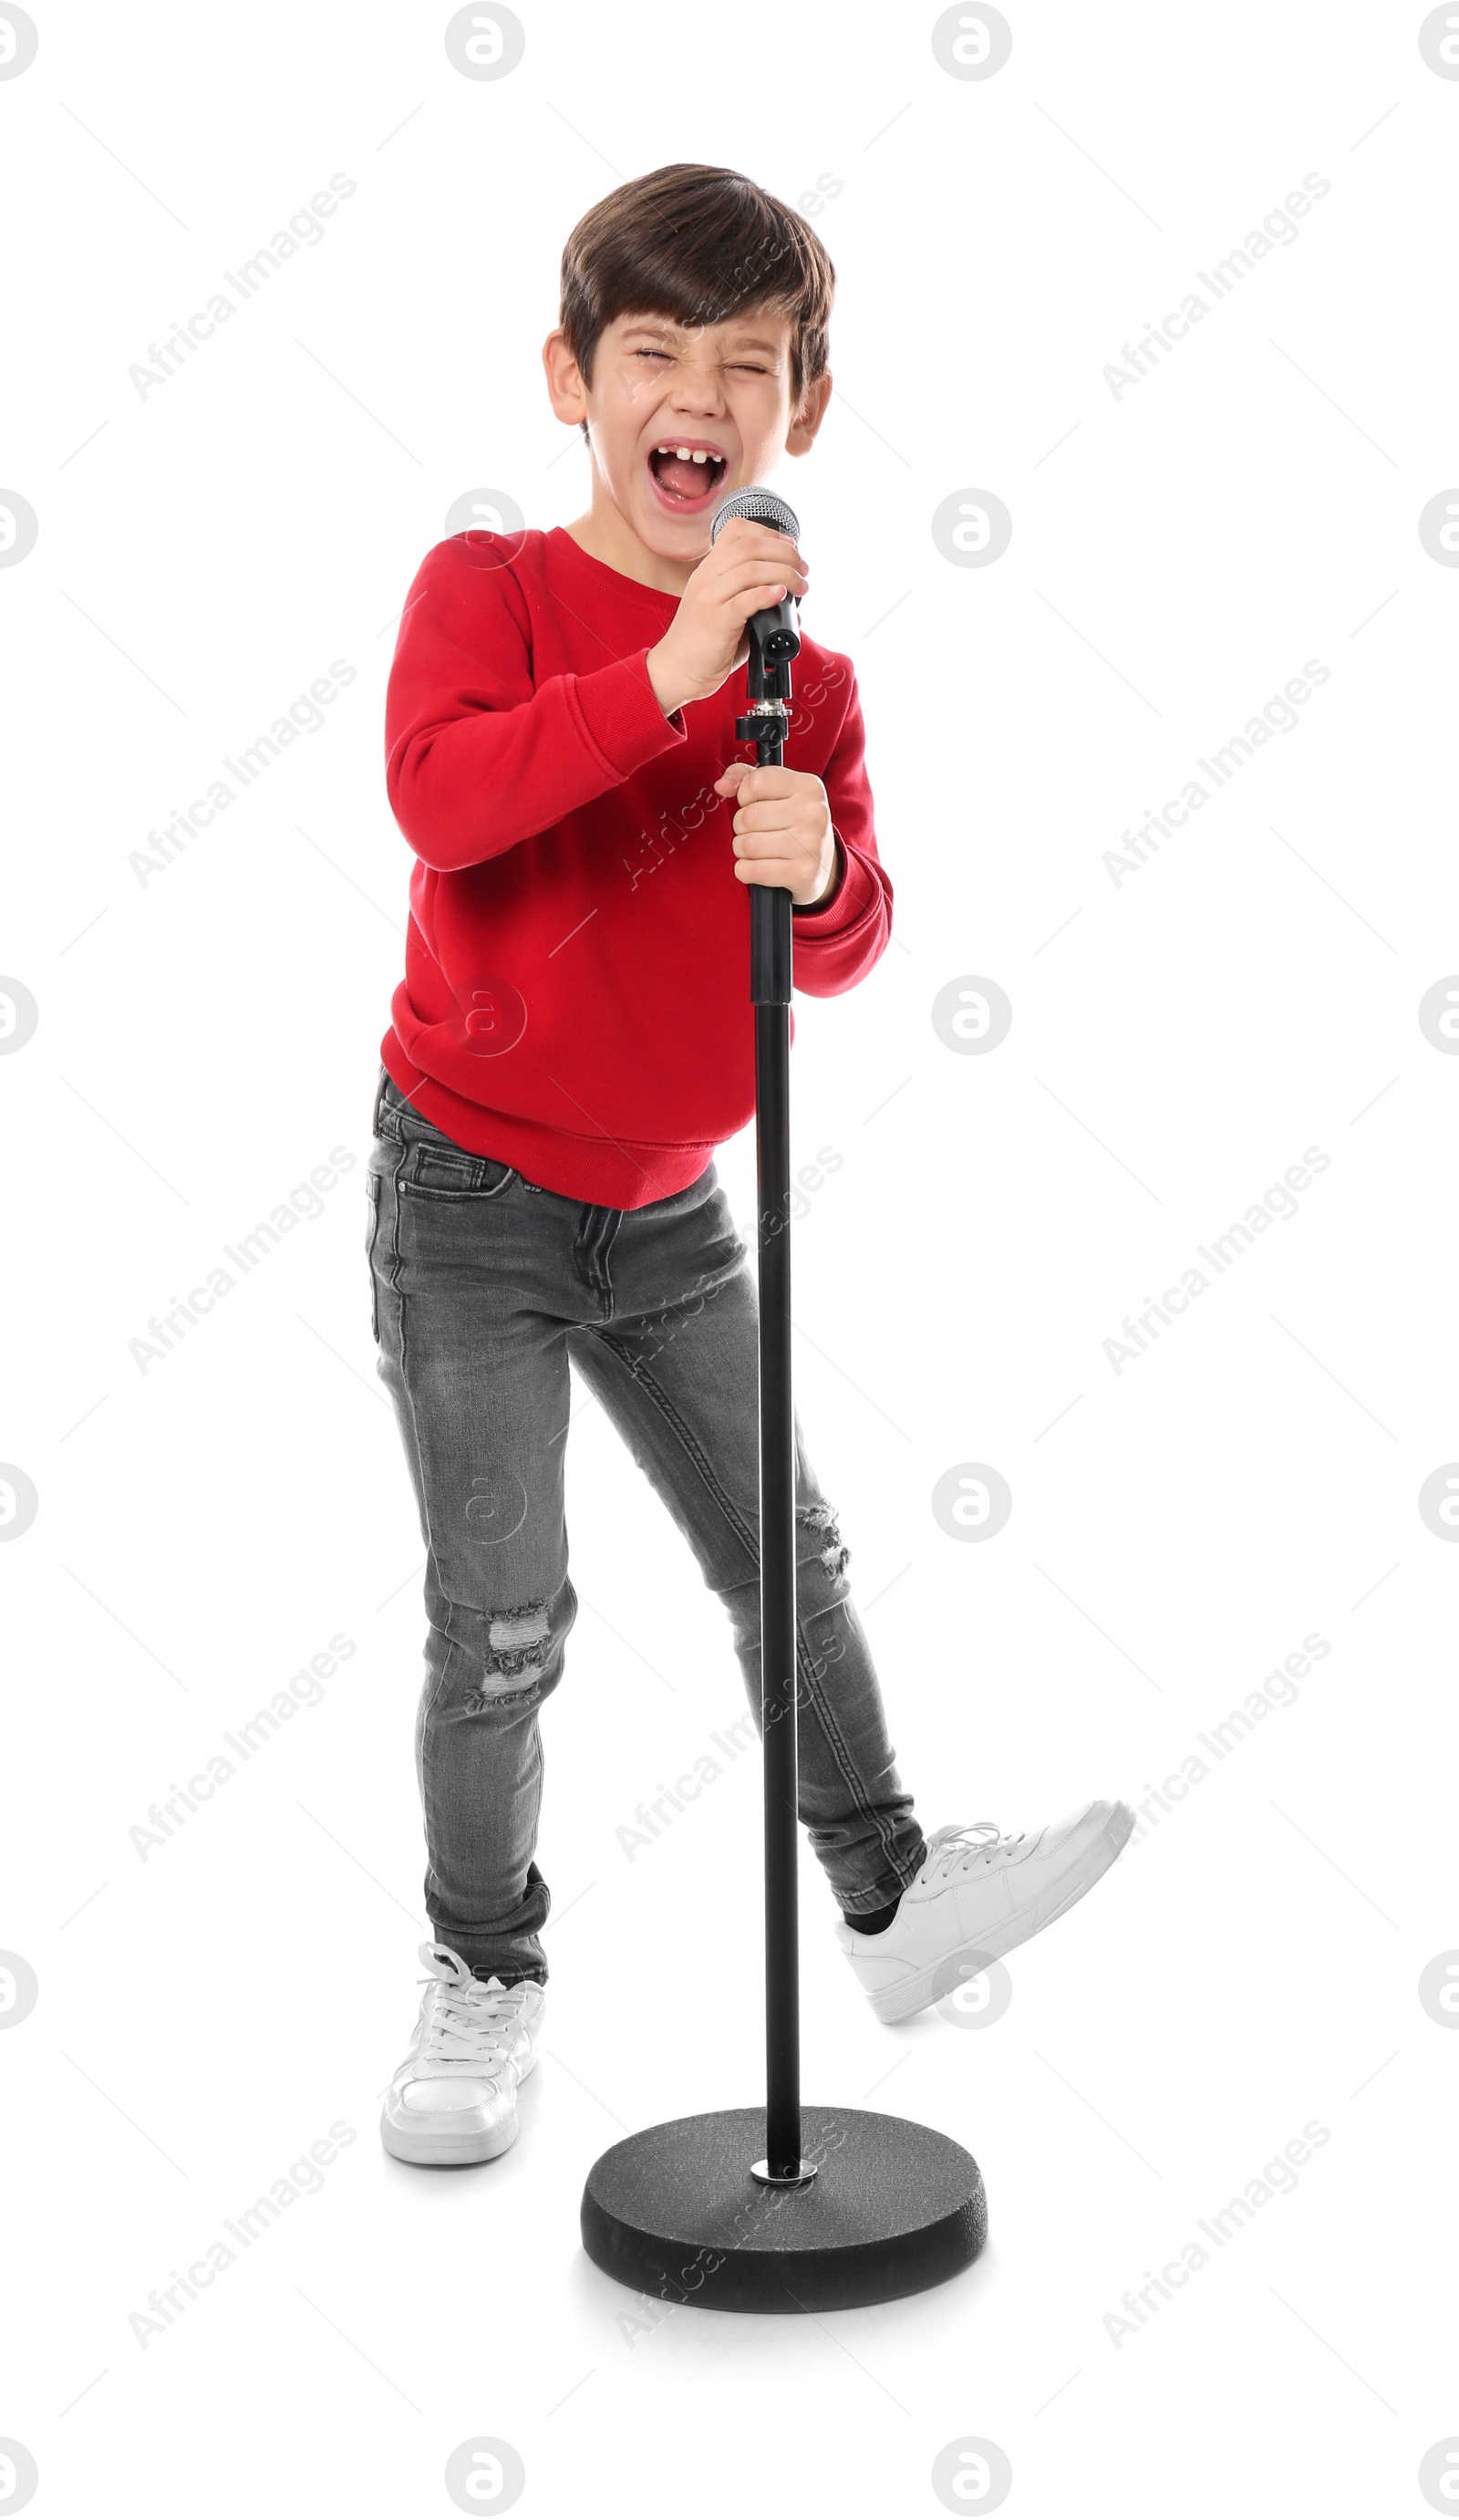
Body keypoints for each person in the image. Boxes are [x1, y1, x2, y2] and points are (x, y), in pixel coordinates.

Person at [367, 162, 1133, 2168]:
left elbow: (844, 931)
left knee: (779, 1562)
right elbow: (444, 804)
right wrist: (665, 677)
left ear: (801, 410)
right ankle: (483, 1965)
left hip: (674, 1207)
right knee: (505, 1614)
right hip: (470, 1200)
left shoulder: (817, 675)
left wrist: (828, 876)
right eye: (652, 355)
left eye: (747, 363)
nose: (696, 390)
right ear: (570, 379)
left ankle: (885, 1897)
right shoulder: (496, 594)